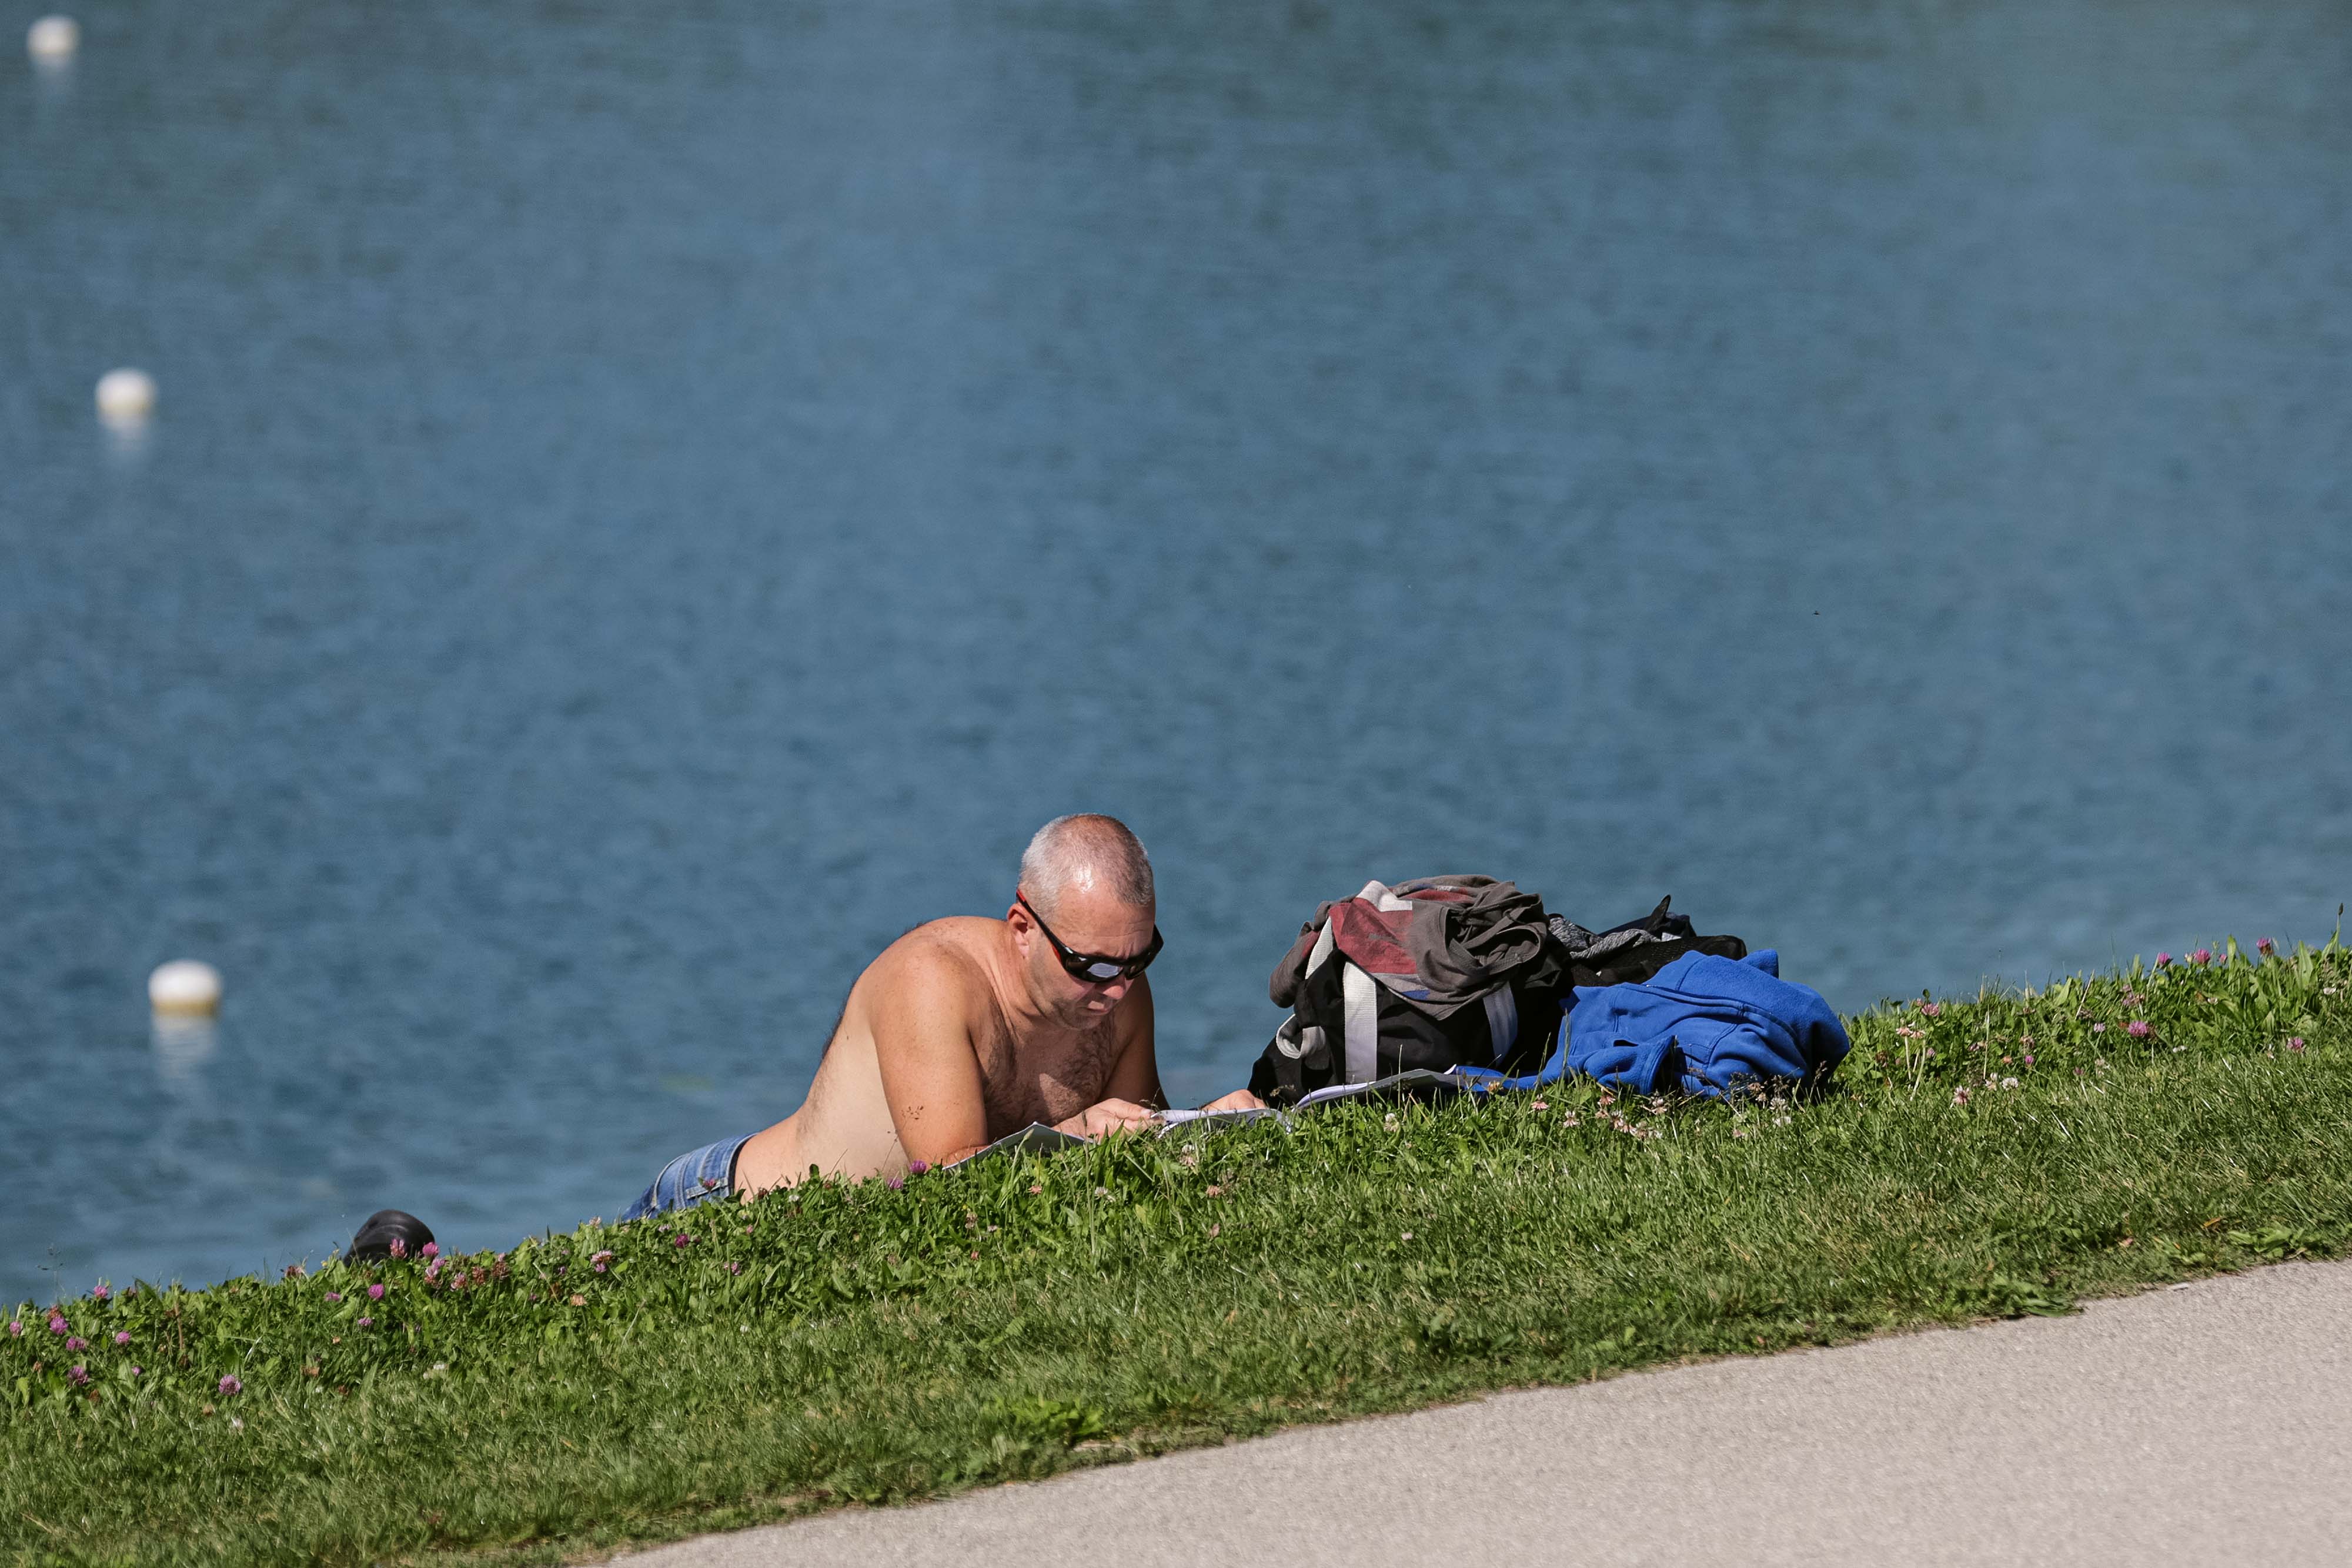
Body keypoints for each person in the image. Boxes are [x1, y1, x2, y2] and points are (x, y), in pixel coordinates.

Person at [616, 813, 1261, 1222]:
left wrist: (1211, 1131)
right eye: (1090, 966)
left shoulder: (1119, 988)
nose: (1116, 990)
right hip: (723, 1210)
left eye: (1137, 960)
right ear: (1022, 929)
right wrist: (1086, 1129)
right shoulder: (934, 980)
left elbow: (1128, 1157)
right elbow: (952, 1193)